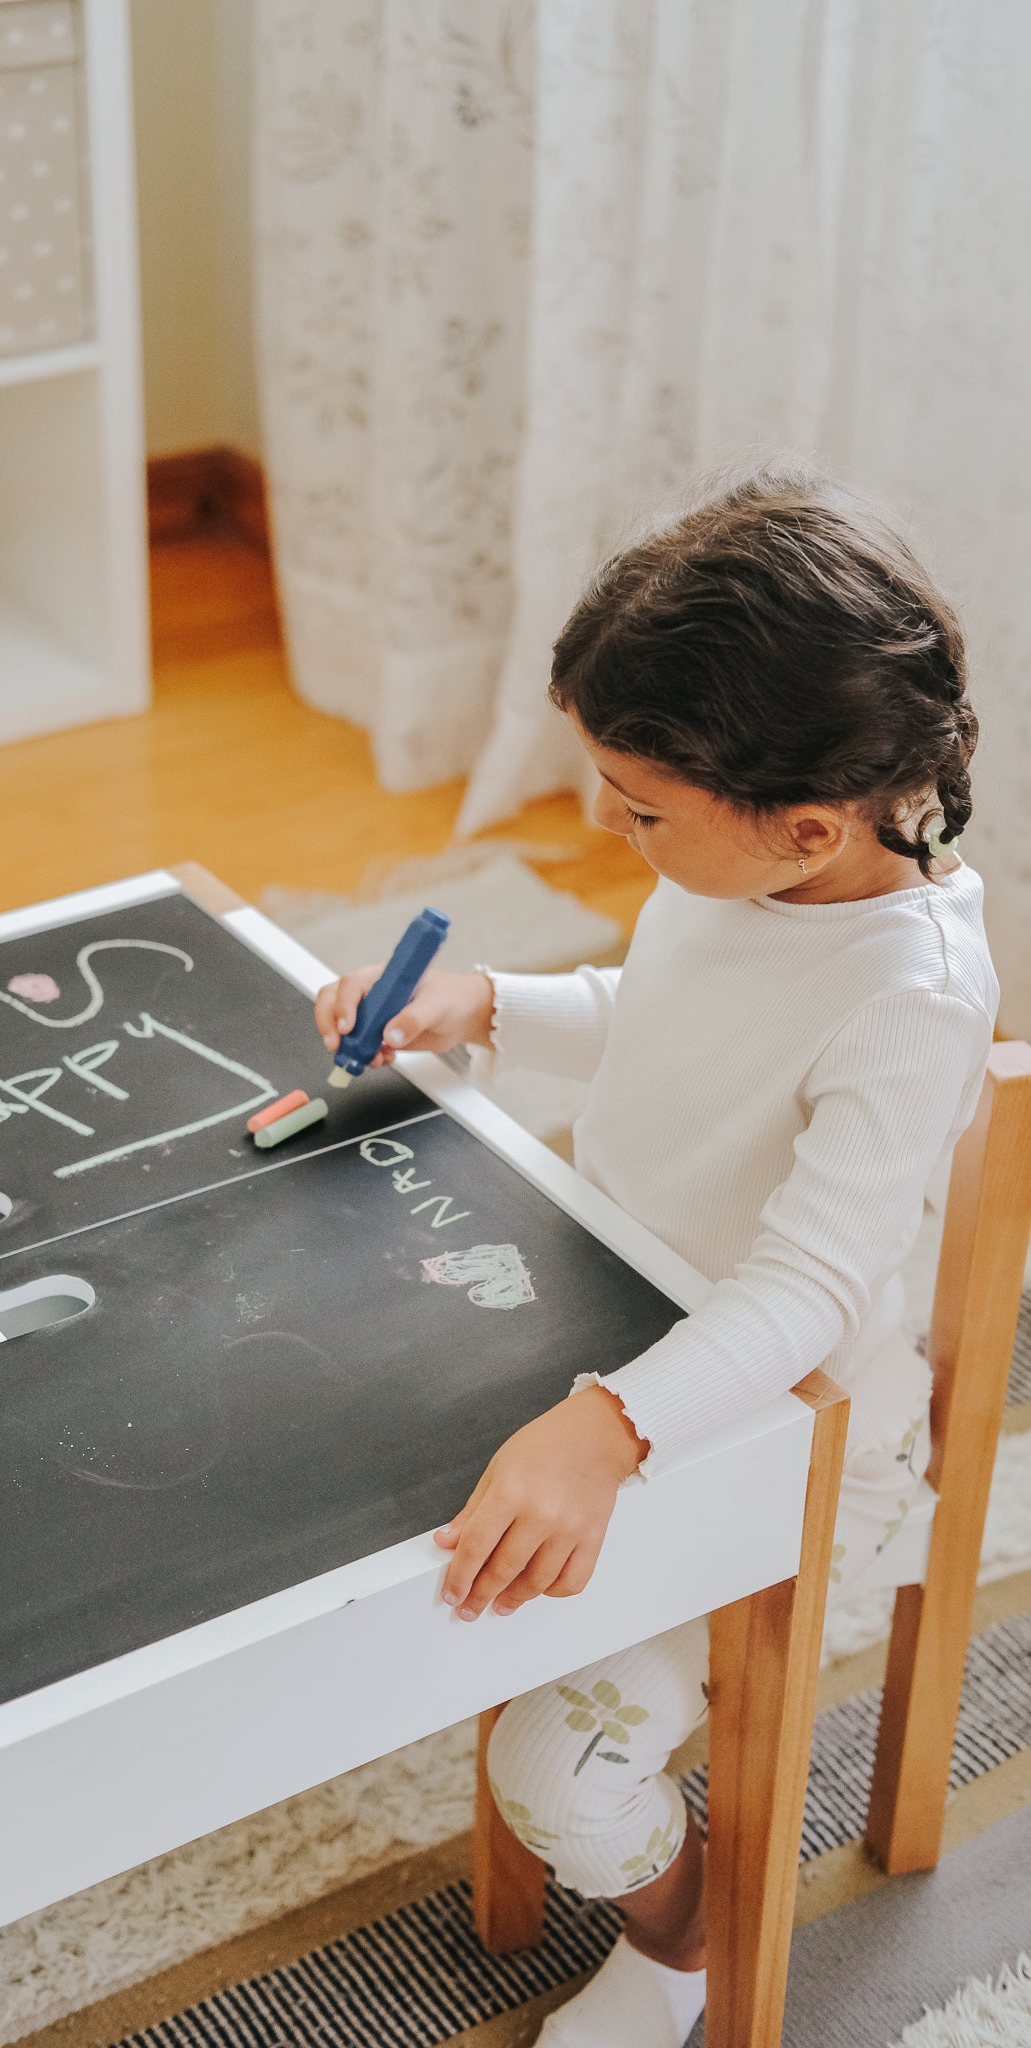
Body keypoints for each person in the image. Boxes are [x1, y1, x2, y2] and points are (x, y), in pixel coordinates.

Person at [315, 465, 998, 2047]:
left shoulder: (906, 995)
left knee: (552, 1767)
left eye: (637, 810)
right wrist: (483, 1001)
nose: (603, 829)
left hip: (791, 1429)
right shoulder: (746, 875)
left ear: (805, 828)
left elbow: (810, 1294)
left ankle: (686, 1939)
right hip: (620, 1310)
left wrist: (605, 1429)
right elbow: (654, 1025)